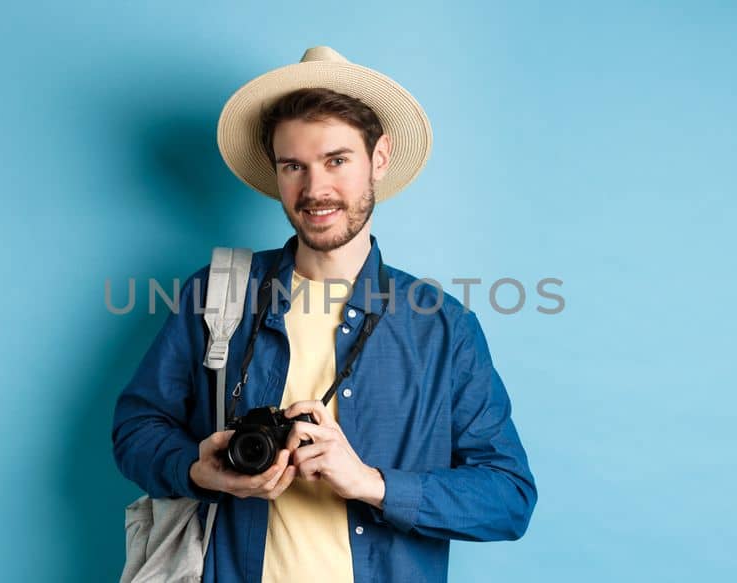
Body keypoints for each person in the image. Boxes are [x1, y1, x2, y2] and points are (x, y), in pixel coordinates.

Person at [112, 46, 536, 582]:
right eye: (294, 166)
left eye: (337, 160)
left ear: (378, 159)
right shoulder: (216, 293)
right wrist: (199, 470)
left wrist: (371, 483)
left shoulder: (442, 327)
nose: (315, 190)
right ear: (276, 170)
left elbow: (509, 498)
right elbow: (135, 430)